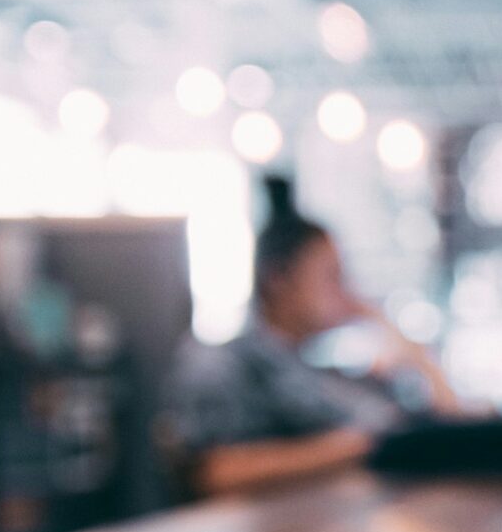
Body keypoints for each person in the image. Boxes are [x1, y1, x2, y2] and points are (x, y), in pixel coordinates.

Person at [162, 177, 462, 497]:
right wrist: (358, 445)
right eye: (332, 276)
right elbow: (215, 472)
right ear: (278, 279)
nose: (349, 292)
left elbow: (447, 414)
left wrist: (391, 331)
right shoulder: (221, 364)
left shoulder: (321, 371)